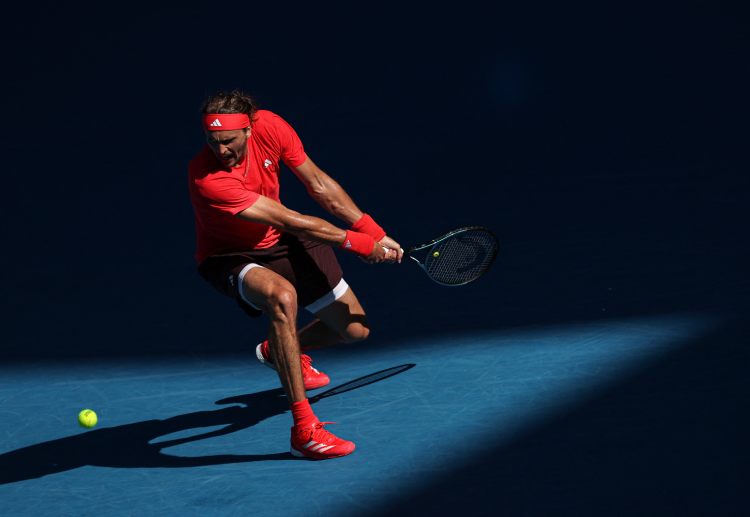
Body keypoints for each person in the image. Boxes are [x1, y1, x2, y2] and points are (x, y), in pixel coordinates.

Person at [188, 90, 403, 460]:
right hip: (230, 257)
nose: (220, 150)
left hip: (283, 242)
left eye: (228, 141)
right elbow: (290, 219)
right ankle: (304, 431)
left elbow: (318, 183)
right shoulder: (206, 177)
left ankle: (281, 349)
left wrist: (374, 231)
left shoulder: (271, 126)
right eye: (212, 140)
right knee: (281, 296)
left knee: (354, 330)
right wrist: (360, 245)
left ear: (251, 128)